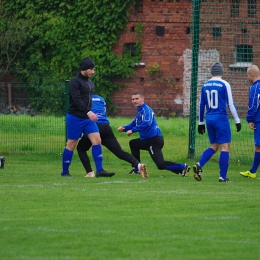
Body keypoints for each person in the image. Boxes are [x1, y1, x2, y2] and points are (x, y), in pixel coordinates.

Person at [61, 57, 115, 178]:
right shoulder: (75, 82)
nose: (93, 71)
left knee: (97, 141)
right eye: (91, 69)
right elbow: (77, 100)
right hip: (75, 117)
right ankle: (65, 172)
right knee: (72, 144)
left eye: (94, 69)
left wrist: (89, 114)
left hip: (87, 119)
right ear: (84, 68)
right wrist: (88, 112)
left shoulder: (90, 82)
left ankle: (100, 170)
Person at [117, 91, 190, 176]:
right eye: (133, 99)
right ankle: (137, 168)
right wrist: (124, 128)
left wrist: (133, 130)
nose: (134, 101)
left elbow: (147, 123)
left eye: (137, 99)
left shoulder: (146, 110)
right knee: (133, 143)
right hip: (147, 140)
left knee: (160, 164)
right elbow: (134, 123)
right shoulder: (140, 111)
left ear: (142, 99)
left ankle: (182, 166)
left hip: (154, 141)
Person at [76, 94, 148, 179]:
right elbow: (104, 113)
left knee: (81, 148)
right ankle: (138, 165)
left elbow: (81, 116)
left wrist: (78, 134)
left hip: (94, 127)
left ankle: (90, 172)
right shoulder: (101, 98)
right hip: (106, 127)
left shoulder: (82, 99)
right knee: (119, 152)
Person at [193, 61, 241, 182]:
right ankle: (222, 177)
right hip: (220, 118)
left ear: (211, 72)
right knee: (225, 147)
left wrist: (200, 122)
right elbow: (230, 104)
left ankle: (199, 164)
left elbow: (201, 104)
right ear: (222, 72)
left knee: (214, 146)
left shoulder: (205, 85)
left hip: (209, 118)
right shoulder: (225, 84)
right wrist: (237, 120)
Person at [240, 65, 260, 179]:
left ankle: (252, 172)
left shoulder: (255, 87)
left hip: (259, 120)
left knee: (258, 146)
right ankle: (252, 171)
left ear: (252, 75)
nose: (247, 77)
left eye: (247, 75)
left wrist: (250, 119)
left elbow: (253, 105)